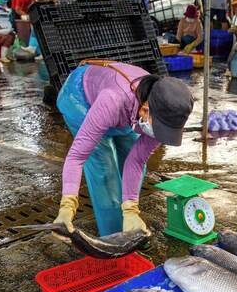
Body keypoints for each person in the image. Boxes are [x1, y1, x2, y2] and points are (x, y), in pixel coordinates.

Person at [54, 61, 194, 236]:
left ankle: (128, 221)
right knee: (105, 169)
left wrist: (131, 209)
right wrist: (67, 206)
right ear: (144, 110)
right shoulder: (112, 101)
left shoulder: (161, 112)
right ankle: (113, 239)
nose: (161, 135)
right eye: (160, 128)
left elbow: (136, 161)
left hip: (126, 110)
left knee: (133, 161)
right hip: (80, 98)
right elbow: (77, 157)